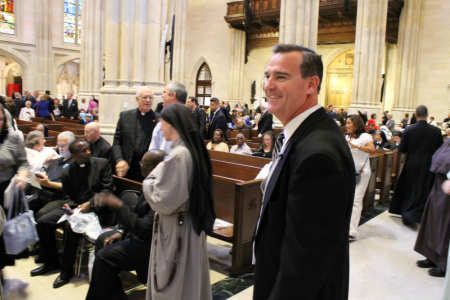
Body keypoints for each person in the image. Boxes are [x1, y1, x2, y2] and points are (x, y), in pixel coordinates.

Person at [253, 44, 355, 300]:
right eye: (267, 76)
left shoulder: (317, 154)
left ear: (311, 84)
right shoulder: (302, 133)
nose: (268, 85)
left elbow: (304, 263)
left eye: (281, 77)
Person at [143, 104, 214, 300]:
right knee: (189, 281)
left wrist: (148, 182)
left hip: (177, 229)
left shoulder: (179, 155)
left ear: (172, 124)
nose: (160, 127)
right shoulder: (189, 150)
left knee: (173, 284)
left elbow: (163, 200)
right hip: (188, 225)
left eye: (162, 123)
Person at [30, 139, 114, 289]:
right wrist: (69, 205)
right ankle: (51, 262)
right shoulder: (68, 170)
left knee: (71, 227)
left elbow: (107, 190)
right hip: (75, 207)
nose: (88, 152)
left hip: (97, 209)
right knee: (43, 222)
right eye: (83, 151)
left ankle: (66, 272)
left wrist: (91, 204)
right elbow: (67, 193)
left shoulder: (102, 163)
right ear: (74, 155)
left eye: (88, 149)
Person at [85, 150, 165, 300]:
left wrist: (118, 205)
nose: (140, 165)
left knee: (104, 258)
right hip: (137, 236)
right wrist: (121, 231)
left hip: (151, 246)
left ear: (156, 167)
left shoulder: (159, 190)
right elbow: (138, 214)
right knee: (102, 240)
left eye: (143, 163)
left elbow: (144, 228)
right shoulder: (150, 182)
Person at [390, 105, 443, 226]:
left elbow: (402, 149)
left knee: (410, 188)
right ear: (427, 115)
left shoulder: (409, 130)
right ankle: (419, 214)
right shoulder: (436, 131)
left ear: (416, 115)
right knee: (424, 188)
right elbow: (440, 150)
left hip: (412, 163)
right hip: (429, 164)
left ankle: (407, 212)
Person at [414, 138, 449, 277]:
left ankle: (443, 263)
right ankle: (431, 257)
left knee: (444, 227)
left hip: (447, 188)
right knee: (433, 223)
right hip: (438, 185)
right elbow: (437, 158)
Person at [0, 104, 29, 274]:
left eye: (1, 119)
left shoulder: (14, 137)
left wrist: (23, 175)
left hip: (4, 192)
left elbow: (23, 162)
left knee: (2, 237)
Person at [112, 87, 157, 181]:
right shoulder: (125, 116)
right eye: (145, 97)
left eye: (150, 98)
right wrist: (119, 160)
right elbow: (117, 142)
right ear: (137, 99)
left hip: (147, 170)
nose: (148, 100)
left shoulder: (158, 119)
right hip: (126, 167)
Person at [30, 131, 75, 221]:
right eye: (59, 146)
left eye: (63, 146)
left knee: (41, 214)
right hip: (45, 192)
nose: (60, 149)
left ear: (72, 146)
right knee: (25, 205)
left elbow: (68, 186)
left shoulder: (75, 163)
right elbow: (47, 174)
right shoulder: (56, 160)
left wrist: (49, 183)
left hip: (61, 197)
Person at [345, 115, 375, 240]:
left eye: (348, 123)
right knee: (347, 200)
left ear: (356, 124)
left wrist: (356, 147)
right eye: (346, 123)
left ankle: (351, 232)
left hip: (362, 172)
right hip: (348, 172)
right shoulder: (346, 137)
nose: (346, 125)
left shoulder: (365, 136)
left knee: (356, 201)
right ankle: (344, 226)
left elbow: (372, 150)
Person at [148, 82, 187, 154]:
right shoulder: (160, 124)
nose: (162, 96)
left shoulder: (186, 123)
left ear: (173, 95)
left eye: (164, 92)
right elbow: (153, 152)